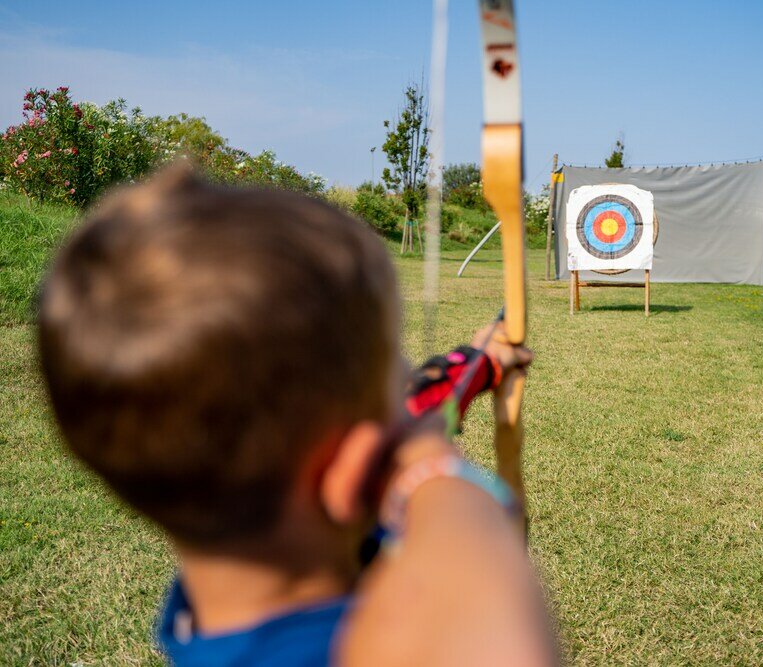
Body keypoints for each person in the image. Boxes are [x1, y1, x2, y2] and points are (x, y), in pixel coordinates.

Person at [36, 165, 555, 666]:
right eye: (397, 380)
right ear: (353, 469)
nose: (410, 403)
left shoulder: (228, 556)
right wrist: (441, 475)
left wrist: (479, 362)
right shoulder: (362, 650)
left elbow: (417, 409)